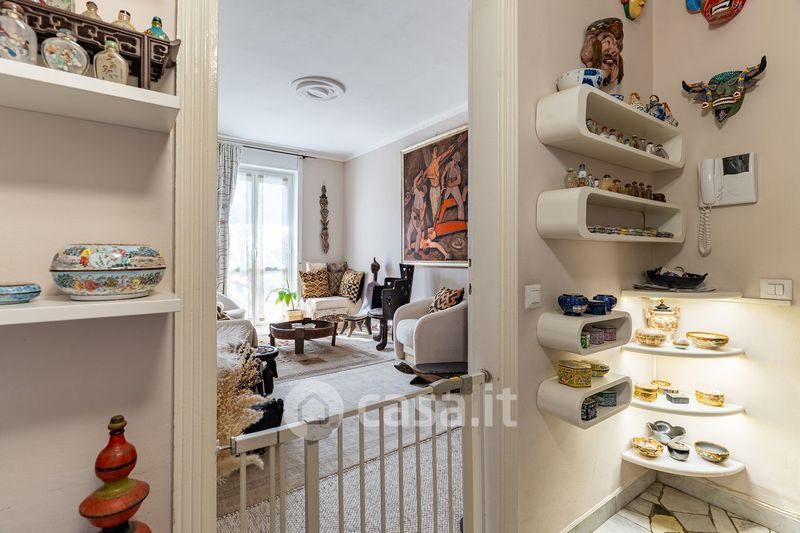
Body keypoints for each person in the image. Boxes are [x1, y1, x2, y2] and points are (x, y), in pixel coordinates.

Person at [422, 143, 456, 225]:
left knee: (438, 207)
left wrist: (450, 149)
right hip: (433, 189)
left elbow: (445, 154)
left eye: (437, 150)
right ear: (432, 153)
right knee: (434, 208)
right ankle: (435, 226)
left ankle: (437, 224)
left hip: (438, 187)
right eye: (435, 150)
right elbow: (424, 176)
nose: (436, 151)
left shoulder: (437, 160)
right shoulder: (429, 166)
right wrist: (431, 176)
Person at [405, 171, 427, 256]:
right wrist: (424, 209)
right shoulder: (421, 198)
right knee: (419, 233)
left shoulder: (417, 193)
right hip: (415, 216)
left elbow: (414, 181)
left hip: (413, 214)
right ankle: (416, 252)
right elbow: (421, 215)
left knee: (409, 232)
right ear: (424, 192)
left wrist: (419, 175)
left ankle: (409, 249)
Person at [441, 151, 465, 221]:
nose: (455, 162)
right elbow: (442, 176)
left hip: (454, 186)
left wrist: (452, 184)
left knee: (460, 203)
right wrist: (442, 186)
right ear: (453, 159)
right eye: (455, 160)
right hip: (447, 186)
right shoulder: (448, 165)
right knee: (442, 203)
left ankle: (461, 220)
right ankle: (438, 221)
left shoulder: (457, 168)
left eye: (456, 161)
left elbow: (459, 181)